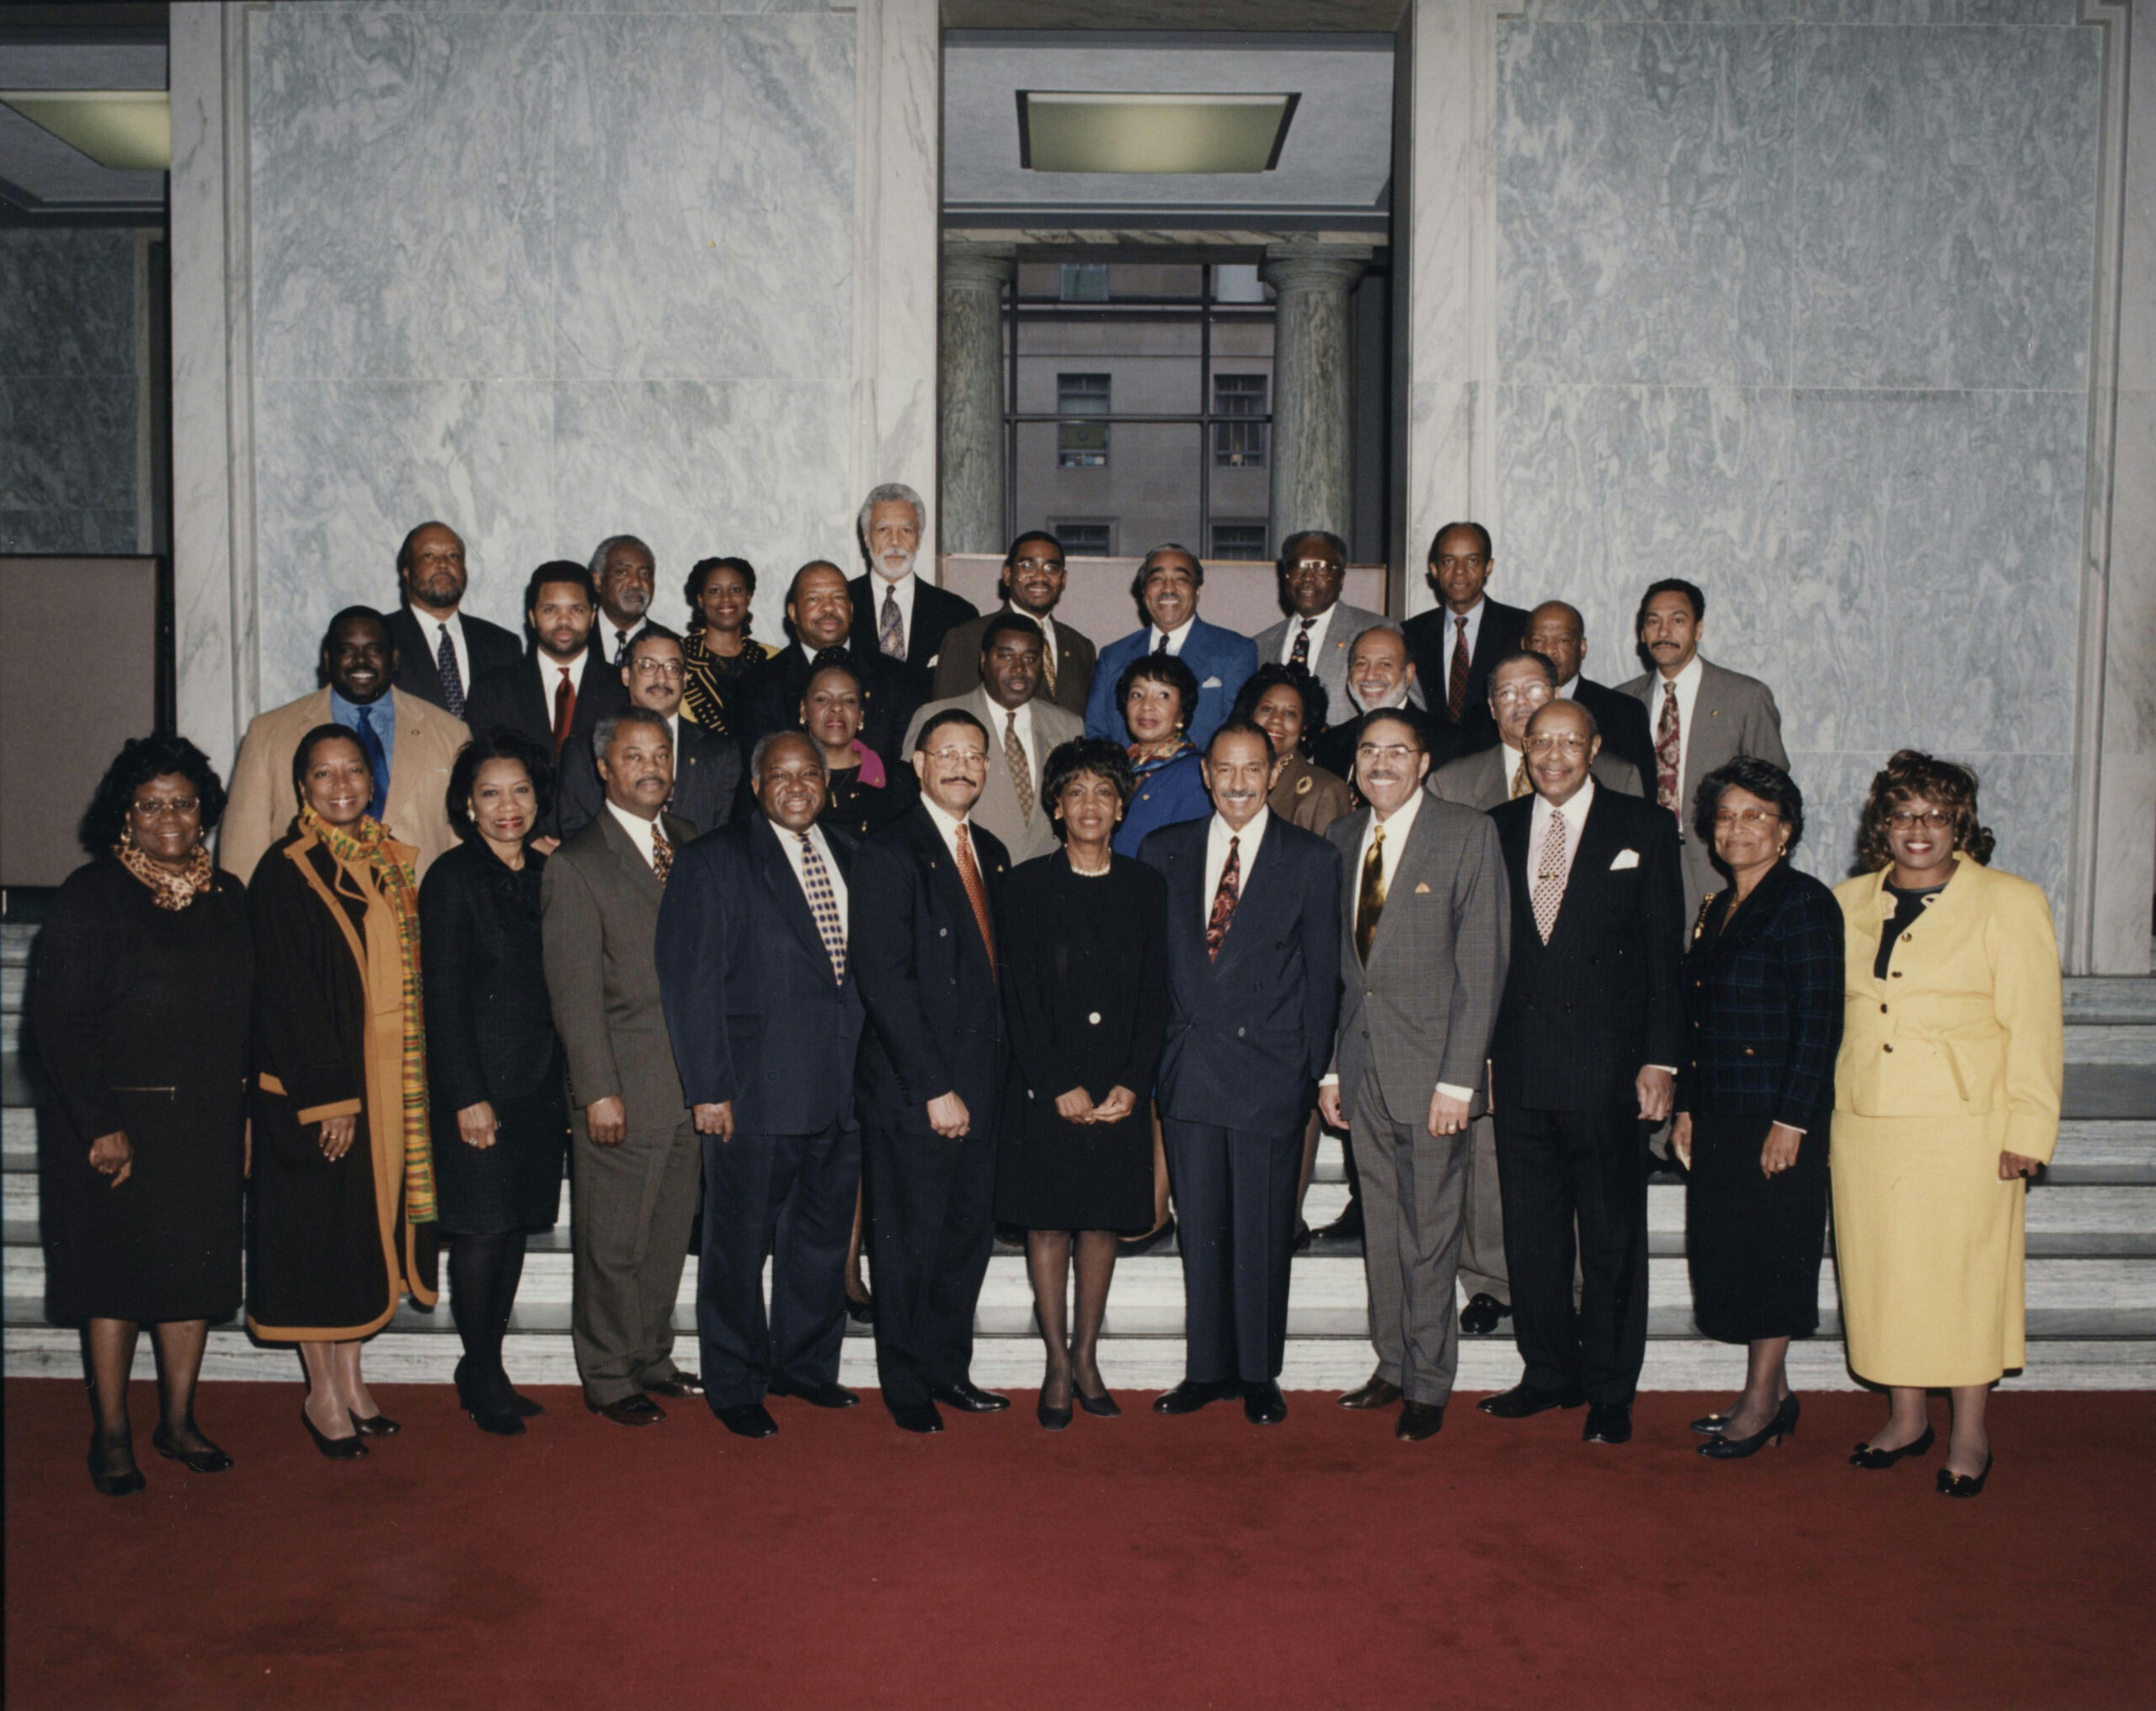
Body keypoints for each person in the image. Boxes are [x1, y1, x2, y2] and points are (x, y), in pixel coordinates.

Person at [1830, 753, 2062, 1498]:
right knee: (1884, 1275)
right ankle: (1905, 1419)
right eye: (1902, 815)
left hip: (1967, 1124)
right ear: (1882, 827)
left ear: (1961, 822)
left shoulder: (2010, 901)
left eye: (1934, 814)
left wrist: (2030, 1127)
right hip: (1867, 1121)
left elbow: (2035, 1026)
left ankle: (1969, 1432)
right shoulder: (1844, 903)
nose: (1917, 830)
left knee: (1963, 1280)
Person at [33, 736, 252, 1495]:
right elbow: (58, 1024)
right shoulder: (89, 895)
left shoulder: (229, 898)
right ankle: (114, 1433)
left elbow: (249, 1020)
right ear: (125, 815)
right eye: (152, 804)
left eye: (184, 803)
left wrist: (247, 1119)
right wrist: (98, 1125)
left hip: (204, 1128)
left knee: (190, 1279)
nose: (170, 819)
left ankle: (180, 1421)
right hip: (113, 1134)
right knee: (115, 1283)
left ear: (205, 813)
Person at [1480, 701, 1683, 1447]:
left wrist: (1662, 1060)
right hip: (1522, 1068)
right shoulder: (1494, 830)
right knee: (1531, 1237)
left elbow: (1665, 954)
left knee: (1610, 1238)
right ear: (1522, 746)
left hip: (1609, 1073)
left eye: (1570, 740)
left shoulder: (1644, 827)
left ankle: (1609, 1388)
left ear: (1595, 747)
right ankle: (1546, 1373)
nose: (1555, 754)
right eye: (1541, 741)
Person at [656, 732, 867, 1440]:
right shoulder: (713, 861)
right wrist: (708, 1088)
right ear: (755, 784)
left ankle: (804, 1368)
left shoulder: (852, 855)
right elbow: (691, 987)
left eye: (810, 773)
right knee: (738, 1247)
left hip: (839, 1090)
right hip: (752, 1094)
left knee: (819, 1240)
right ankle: (736, 1383)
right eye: (781, 774)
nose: (798, 786)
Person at [246, 725, 440, 1458]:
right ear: (302, 787)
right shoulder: (286, 868)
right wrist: (330, 1097)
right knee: (321, 1234)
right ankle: (321, 1394)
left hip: (390, 1074)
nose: (340, 786)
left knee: (366, 1227)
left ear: (373, 778)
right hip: (323, 1080)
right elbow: (287, 996)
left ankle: (353, 1379)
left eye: (353, 771)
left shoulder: (387, 858)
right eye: (323, 775)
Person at [1142, 720, 1342, 1426]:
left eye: (1251, 769)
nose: (1236, 782)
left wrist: (1319, 1074)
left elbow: (1325, 978)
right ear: (1204, 775)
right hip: (1191, 1068)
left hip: (1269, 1070)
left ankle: (1259, 1372)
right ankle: (1205, 1370)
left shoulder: (1312, 859)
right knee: (1201, 1228)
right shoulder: (1164, 851)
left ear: (1274, 773)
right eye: (1223, 768)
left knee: (1260, 1229)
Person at [1318, 712, 1508, 1442]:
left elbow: (1481, 966)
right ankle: (1392, 1363)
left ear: (1424, 762)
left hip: (1435, 1075)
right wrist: (1332, 1068)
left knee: (1430, 1234)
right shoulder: (1340, 838)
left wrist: (1460, 1082)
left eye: (1398, 751)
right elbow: (1341, 973)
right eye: (1370, 752)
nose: (1382, 763)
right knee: (1384, 1227)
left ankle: (1429, 1382)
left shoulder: (1466, 833)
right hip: (1361, 1068)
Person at [1670, 759, 1842, 1459]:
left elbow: (1820, 1019)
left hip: (1776, 1117)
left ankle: (1765, 1402)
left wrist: (1793, 1120)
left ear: (1786, 830)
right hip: (1720, 1114)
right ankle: (1761, 1391)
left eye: (1755, 816)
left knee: (1773, 1259)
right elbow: (1697, 1018)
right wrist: (1686, 1106)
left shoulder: (1803, 902)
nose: (1738, 829)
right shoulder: (1718, 906)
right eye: (1726, 816)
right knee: (1732, 1257)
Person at [998, 738, 1170, 1429]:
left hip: (1118, 1087)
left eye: (1104, 792)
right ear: (1057, 806)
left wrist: (1133, 1084)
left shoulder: (1146, 886)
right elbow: (1020, 997)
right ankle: (1056, 1366)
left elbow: (1156, 995)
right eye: (1076, 793)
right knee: (1049, 1223)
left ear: (1122, 806)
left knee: (1100, 1219)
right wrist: (1055, 1082)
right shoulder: (1026, 885)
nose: (1090, 805)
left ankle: (1089, 1354)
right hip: (1050, 1087)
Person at [851, 710, 1014, 1434]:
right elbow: (884, 979)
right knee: (910, 1241)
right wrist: (933, 1089)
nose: (961, 766)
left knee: (964, 1238)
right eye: (945, 752)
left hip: (984, 1085)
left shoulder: (995, 852)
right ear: (917, 763)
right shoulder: (889, 849)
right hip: (918, 1093)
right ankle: (907, 1382)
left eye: (973, 755)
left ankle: (950, 1368)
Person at [539, 710, 702, 1427]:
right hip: (622, 1087)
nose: (650, 766)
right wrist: (597, 1091)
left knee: (666, 1235)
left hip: (693, 1086)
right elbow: (573, 994)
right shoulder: (577, 862)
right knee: (612, 1241)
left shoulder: (694, 846)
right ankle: (607, 1372)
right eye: (633, 755)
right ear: (604, 768)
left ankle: (651, 1354)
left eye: (660, 752)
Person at [419, 728, 569, 1436]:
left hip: (538, 1087)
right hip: (480, 1093)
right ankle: (479, 1370)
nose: (507, 807)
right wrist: (465, 1097)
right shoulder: (451, 880)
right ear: (467, 804)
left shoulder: (548, 872)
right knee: (480, 1233)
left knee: (511, 1232)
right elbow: (442, 1002)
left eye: (520, 791)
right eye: (490, 793)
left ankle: (487, 1364)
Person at [221, 606, 469, 883]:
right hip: (307, 914)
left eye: (374, 649)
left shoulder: (450, 734)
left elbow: (462, 849)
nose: (361, 661)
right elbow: (242, 853)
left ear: (394, 658)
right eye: (347, 650)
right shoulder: (267, 734)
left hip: (419, 910)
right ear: (327, 659)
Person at [1618, 578, 1790, 928]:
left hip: (1719, 867)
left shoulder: (1744, 697)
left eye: (1677, 620)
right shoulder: (1620, 702)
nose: (1664, 631)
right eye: (1653, 621)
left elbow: (1776, 794)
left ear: (1698, 629)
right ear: (1641, 631)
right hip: (1640, 866)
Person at [462, 562, 629, 845]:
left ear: (592, 616)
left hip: (604, 851)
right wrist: (531, 838)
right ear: (532, 616)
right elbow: (477, 776)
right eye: (550, 609)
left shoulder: (622, 690)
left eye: (576, 609)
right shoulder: (492, 689)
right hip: (515, 848)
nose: (563, 621)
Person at [904, 612, 1083, 865]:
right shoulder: (935, 717)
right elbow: (911, 810)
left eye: (1030, 658)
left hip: (1046, 879)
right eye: (1006, 656)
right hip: (967, 872)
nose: (1019, 669)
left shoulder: (1068, 726)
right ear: (983, 660)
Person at [558, 629, 740, 839]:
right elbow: (580, 838)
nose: (661, 678)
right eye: (647, 666)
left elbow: (723, 839)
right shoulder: (585, 748)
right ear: (626, 675)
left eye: (673, 668)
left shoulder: (719, 752)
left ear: (685, 679)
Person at [739, 559, 917, 763]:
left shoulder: (896, 679)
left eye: (838, 597)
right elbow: (762, 772)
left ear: (851, 609)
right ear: (793, 612)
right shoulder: (759, 684)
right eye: (814, 599)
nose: (828, 608)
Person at [1084, 544, 1259, 751]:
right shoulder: (1112, 657)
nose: (1168, 589)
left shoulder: (1236, 652)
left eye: (1181, 579)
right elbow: (1096, 734)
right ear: (1143, 591)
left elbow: (1237, 734)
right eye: (1157, 579)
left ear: (1198, 591)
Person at [1431, 649, 1643, 808]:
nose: (1521, 702)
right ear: (1492, 708)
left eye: (1533, 689)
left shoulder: (1618, 778)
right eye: (1507, 693)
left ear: (1557, 695)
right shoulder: (1449, 785)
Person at [933, 530, 1097, 715]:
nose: (1040, 577)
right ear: (1008, 574)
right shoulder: (968, 638)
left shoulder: (1081, 647)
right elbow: (945, 719)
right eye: (1027, 566)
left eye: (1051, 568)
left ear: (1063, 579)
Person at [1401, 522, 1529, 744]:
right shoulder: (1410, 633)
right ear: (1434, 569)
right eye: (1449, 561)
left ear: (1488, 567)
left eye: (1472, 560)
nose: (1459, 571)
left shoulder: (1520, 627)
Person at [850, 482, 979, 695]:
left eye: (906, 530)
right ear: (866, 536)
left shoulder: (958, 613)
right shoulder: (841, 603)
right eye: (883, 529)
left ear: (919, 538)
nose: (895, 541)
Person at [383, 520, 520, 719]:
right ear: (406, 572)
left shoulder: (503, 645)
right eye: (429, 556)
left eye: (453, 556)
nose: (443, 564)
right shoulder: (381, 638)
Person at [1251, 530, 1396, 717]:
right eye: (1298, 567)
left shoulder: (1378, 632)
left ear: (1341, 578)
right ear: (1285, 576)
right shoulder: (1260, 645)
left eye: (1321, 567)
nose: (1308, 578)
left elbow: (1408, 711)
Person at [1520, 600, 1656, 786]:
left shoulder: (1623, 712)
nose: (1549, 651)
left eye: (1562, 641)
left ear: (1582, 647)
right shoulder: (1498, 714)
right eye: (1538, 641)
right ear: (1524, 646)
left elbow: (1641, 798)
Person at [803, 654, 917, 843]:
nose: (837, 708)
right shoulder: (783, 778)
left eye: (848, 700)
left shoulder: (900, 781)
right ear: (803, 711)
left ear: (861, 716)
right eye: (823, 699)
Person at [1110, 651, 1211, 861]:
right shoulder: (1117, 766)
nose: (1147, 705)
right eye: (1137, 694)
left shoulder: (1195, 774)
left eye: (1163, 695)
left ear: (1182, 712)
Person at [1311, 626, 1444, 786]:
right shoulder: (1330, 744)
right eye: (1361, 663)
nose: (1370, 675)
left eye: (1385, 664)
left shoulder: (1446, 742)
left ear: (1408, 674)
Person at [1233, 664, 1353, 835]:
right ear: (1250, 716)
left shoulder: (1326, 790)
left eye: (1290, 713)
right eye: (1267, 709)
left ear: (1304, 726)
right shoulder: (1229, 777)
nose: (1276, 720)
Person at [679, 555, 769, 738]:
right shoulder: (678, 656)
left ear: (748, 596)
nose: (726, 599)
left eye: (735, 590)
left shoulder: (771, 658)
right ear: (700, 600)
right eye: (714, 591)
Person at [589, 534, 670, 668]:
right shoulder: (573, 638)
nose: (636, 583)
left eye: (645, 574)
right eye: (622, 572)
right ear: (598, 581)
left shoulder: (672, 644)